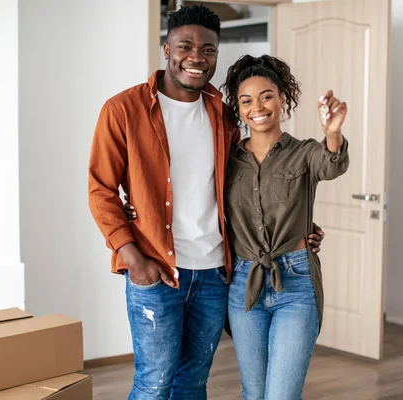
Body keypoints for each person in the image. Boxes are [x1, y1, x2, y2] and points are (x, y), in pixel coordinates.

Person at [88, 5, 323, 400]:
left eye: (209, 49)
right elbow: (101, 190)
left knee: (194, 382)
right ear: (167, 49)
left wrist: (296, 228)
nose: (197, 57)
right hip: (156, 270)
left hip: (216, 273)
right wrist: (132, 256)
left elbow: (252, 185)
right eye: (186, 46)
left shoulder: (224, 115)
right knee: (154, 381)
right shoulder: (123, 110)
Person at [126, 54, 348, 400]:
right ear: (239, 109)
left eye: (266, 96)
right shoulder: (226, 158)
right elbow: (199, 200)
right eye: (246, 100)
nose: (257, 106)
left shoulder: (303, 153)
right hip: (243, 282)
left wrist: (332, 134)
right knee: (254, 393)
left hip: (296, 282)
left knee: (280, 396)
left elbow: (331, 164)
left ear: (282, 99)